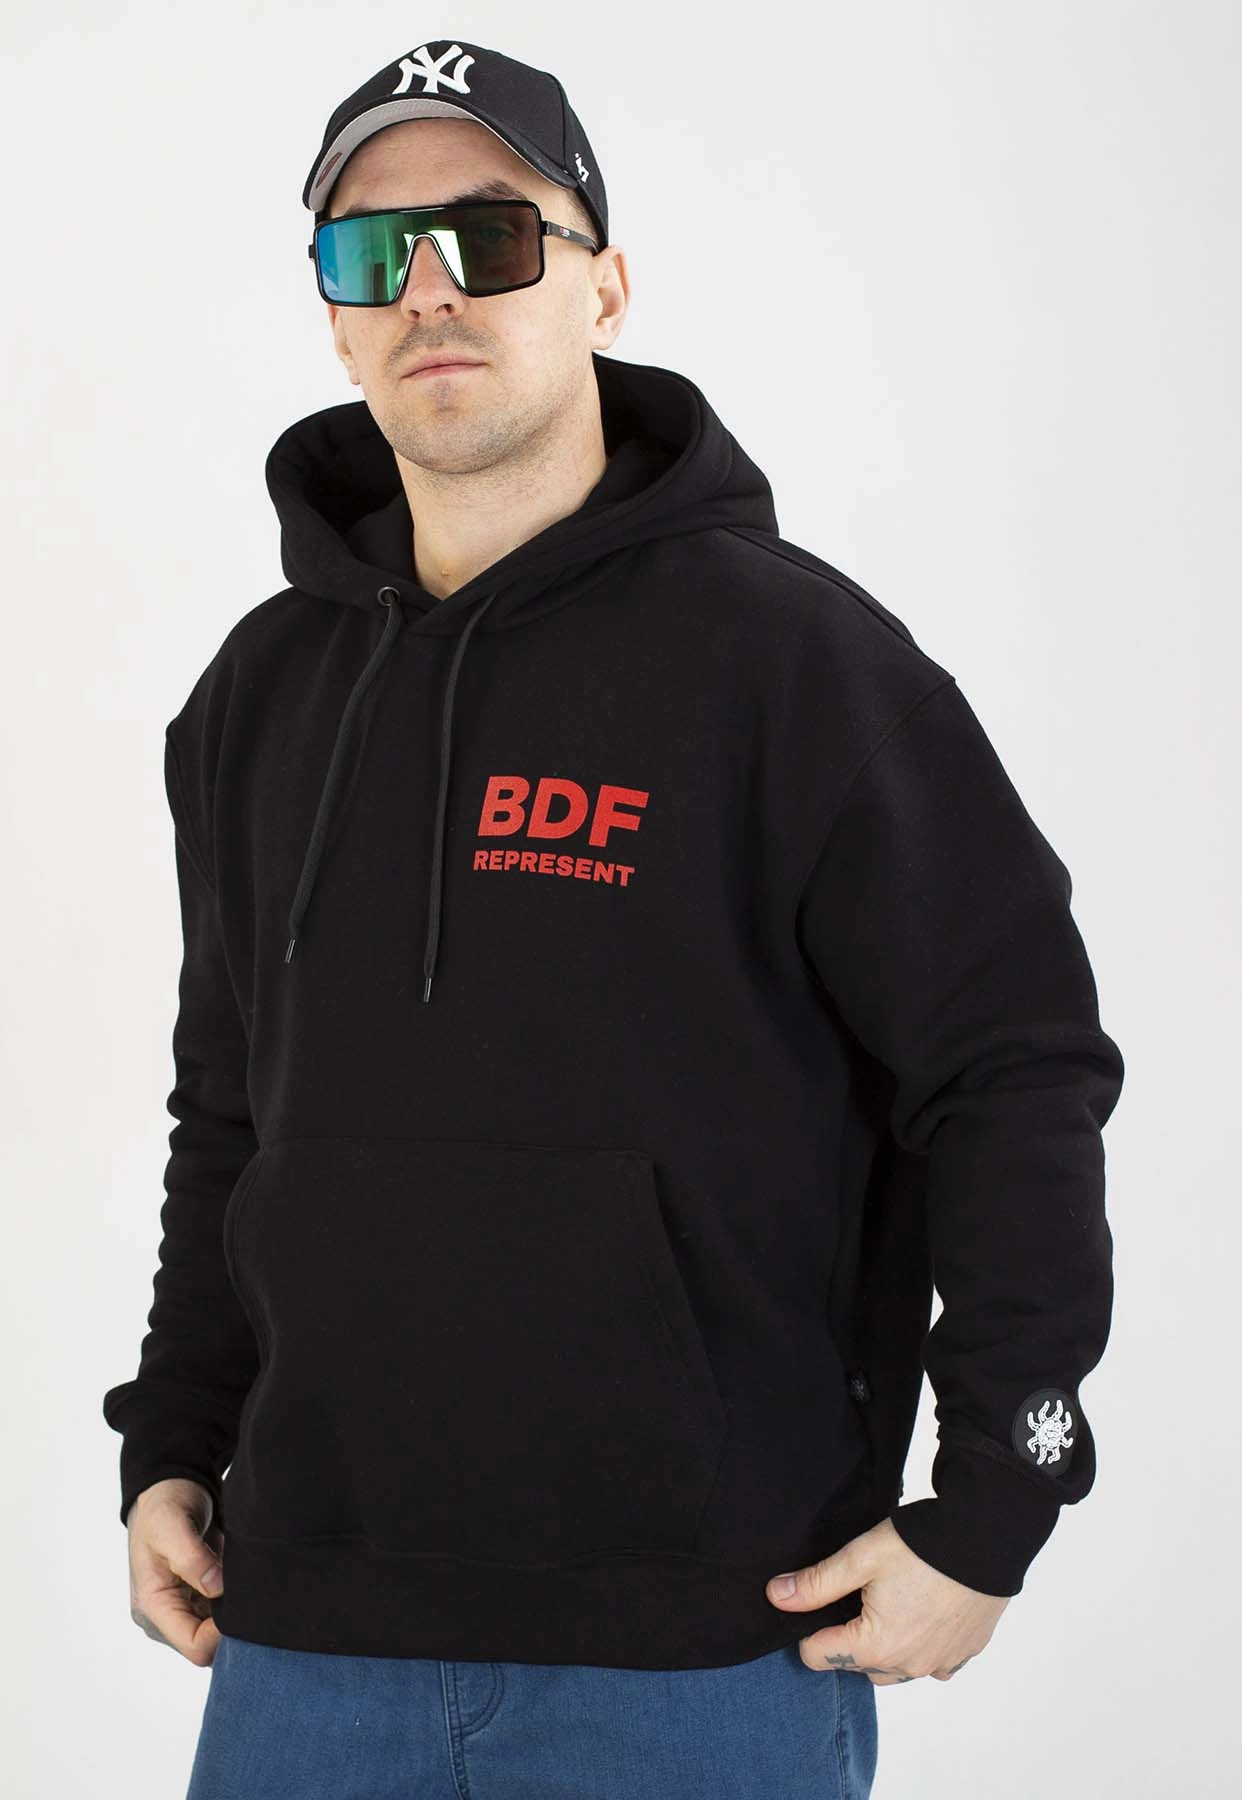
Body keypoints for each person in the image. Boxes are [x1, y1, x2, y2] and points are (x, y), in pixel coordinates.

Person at [101, 36, 1125, 1800]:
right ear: (333, 317)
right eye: (371, 250)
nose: (430, 290)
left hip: (699, 1653)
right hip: (303, 1642)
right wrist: (170, 1442)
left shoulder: (795, 667)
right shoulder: (259, 696)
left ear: (603, 285)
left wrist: (997, 1498)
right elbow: (232, 1113)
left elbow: (1011, 1071)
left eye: (491, 235)